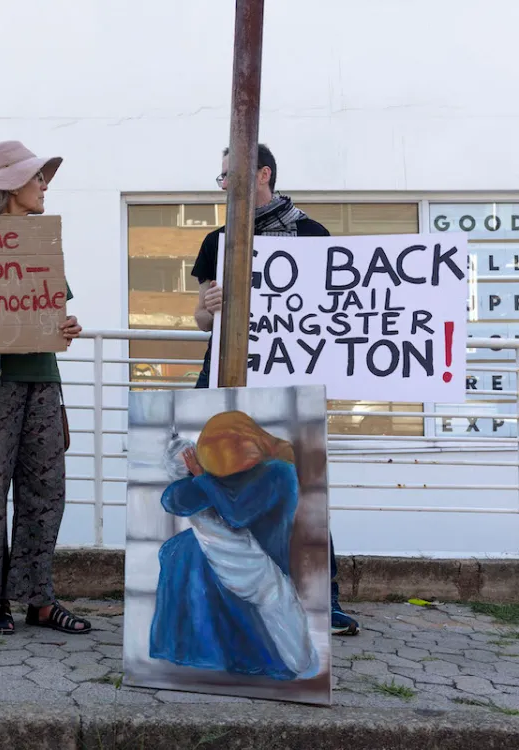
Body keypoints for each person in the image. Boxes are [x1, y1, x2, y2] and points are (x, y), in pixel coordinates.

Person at [191, 143, 360, 637]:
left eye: (229, 175)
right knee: (222, 477)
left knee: (302, 486)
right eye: (220, 177)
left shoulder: (312, 235)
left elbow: (330, 314)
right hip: (224, 374)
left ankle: (320, 600)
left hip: (288, 376)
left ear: (262, 174)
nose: (222, 184)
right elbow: (201, 319)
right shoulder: (217, 241)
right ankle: (232, 592)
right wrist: (213, 304)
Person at [0, 141, 91, 636]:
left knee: (47, 492)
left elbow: (51, 311)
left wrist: (64, 327)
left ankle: (39, 600)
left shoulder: (42, 242)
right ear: (9, 186)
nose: (45, 184)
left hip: (43, 379)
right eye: (36, 178)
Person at [150, 414, 319, 680]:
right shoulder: (228, 475)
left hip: (264, 556)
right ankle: (195, 653)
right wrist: (189, 474)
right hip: (233, 550)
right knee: (180, 552)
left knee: (200, 562)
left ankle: (253, 659)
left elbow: (237, 514)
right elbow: (174, 500)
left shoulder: (278, 472)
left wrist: (201, 477)